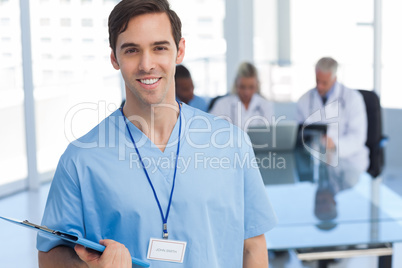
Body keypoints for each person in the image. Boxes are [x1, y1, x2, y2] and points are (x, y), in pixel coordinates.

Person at [37, 1, 277, 267]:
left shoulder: (232, 143)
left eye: (159, 47)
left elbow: (252, 246)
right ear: (115, 58)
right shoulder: (80, 159)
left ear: (179, 51)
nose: (146, 64)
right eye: (131, 50)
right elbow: (51, 254)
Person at [296, 57, 369, 172]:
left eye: (324, 83)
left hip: (349, 161)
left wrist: (334, 144)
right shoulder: (304, 100)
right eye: (317, 81)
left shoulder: (353, 98)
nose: (319, 86)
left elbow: (358, 138)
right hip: (316, 161)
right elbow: (299, 134)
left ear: (334, 78)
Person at [209, 62, 275, 131]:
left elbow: (269, 133)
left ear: (257, 85)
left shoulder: (265, 105)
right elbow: (212, 128)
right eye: (242, 87)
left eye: (251, 87)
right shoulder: (222, 104)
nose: (247, 92)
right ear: (236, 84)